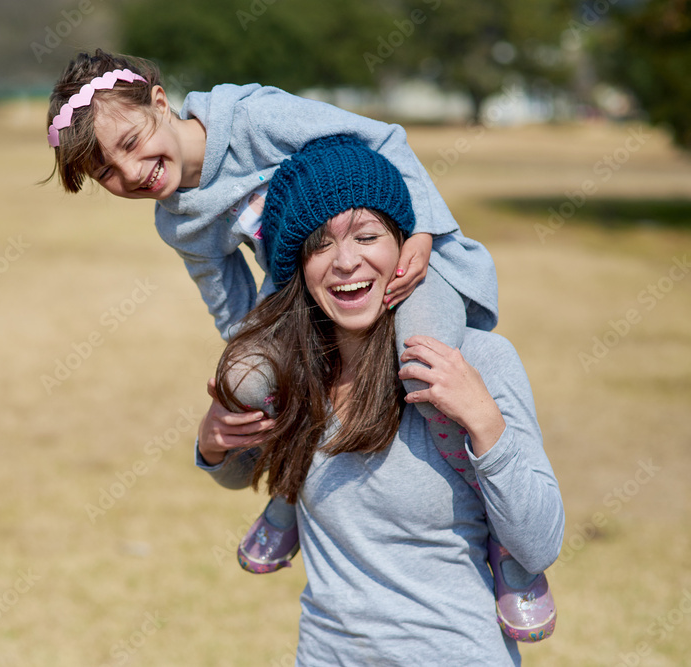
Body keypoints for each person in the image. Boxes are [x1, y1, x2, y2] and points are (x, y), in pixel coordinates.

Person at [45, 49, 505, 573]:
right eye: (106, 170)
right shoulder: (179, 223)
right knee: (246, 376)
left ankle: (501, 530)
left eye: (131, 142)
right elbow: (235, 309)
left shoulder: (254, 118)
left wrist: (421, 230)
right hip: (314, 299)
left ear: (158, 101)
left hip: (404, 265)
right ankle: (290, 494)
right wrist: (268, 378)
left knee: (425, 363)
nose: (131, 171)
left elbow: (383, 140)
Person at [196, 135, 565, 664]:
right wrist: (212, 445)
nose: (346, 262)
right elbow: (240, 473)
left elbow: (539, 544)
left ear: (406, 248)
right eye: (320, 245)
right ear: (298, 268)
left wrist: (485, 421)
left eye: (367, 235)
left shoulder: (479, 361)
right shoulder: (295, 376)